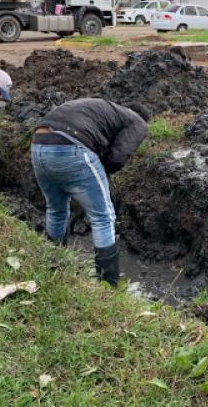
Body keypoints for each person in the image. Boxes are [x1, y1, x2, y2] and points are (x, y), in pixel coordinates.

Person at [31, 98, 149, 286]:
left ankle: (53, 270)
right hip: (71, 147)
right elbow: (118, 157)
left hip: (38, 146)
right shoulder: (137, 121)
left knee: (56, 209)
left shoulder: (106, 110)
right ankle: (108, 286)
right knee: (103, 217)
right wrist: (101, 171)